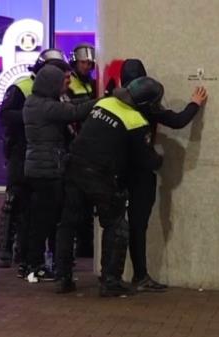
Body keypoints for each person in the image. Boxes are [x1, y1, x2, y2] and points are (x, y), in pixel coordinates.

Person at [55, 76, 206, 297]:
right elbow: (146, 160)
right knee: (117, 225)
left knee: (68, 224)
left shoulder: (103, 103)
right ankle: (110, 282)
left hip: (73, 168)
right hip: (100, 175)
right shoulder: (135, 121)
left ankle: (63, 278)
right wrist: (161, 160)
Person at [120, 59, 207, 292]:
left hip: (117, 171)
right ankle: (140, 275)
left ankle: (113, 275)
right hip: (141, 173)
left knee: (117, 225)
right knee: (138, 224)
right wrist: (195, 104)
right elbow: (177, 121)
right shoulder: (148, 104)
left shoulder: (114, 102)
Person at [0, 49, 71, 277]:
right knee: (16, 201)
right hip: (21, 149)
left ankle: (33, 255)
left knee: (39, 210)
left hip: (44, 152)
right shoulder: (22, 87)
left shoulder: (59, 92)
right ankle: (6, 252)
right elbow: (5, 114)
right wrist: (34, 117)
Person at [22, 63, 97, 282]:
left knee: (41, 219)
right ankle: (36, 265)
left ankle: (36, 263)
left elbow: (71, 105)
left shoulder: (35, 103)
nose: (67, 84)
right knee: (44, 220)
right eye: (62, 81)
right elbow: (74, 111)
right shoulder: (46, 107)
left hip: (39, 167)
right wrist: (102, 100)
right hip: (46, 170)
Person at [65, 43, 97, 258]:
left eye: (89, 62)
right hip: (74, 144)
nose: (86, 65)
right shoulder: (68, 84)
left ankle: (85, 245)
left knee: (88, 201)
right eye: (83, 62)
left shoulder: (92, 83)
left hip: (88, 144)